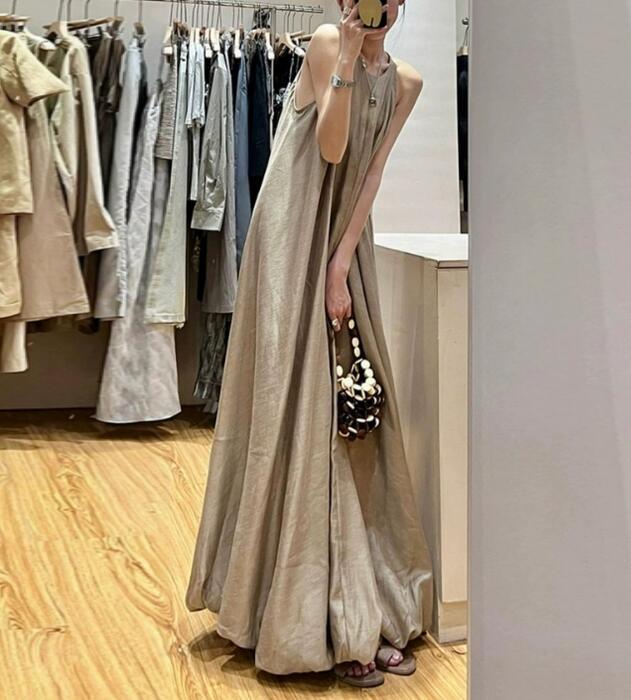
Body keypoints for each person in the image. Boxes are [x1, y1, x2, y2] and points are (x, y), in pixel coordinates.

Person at [185, 0, 434, 689]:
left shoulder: (409, 81)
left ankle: (354, 606)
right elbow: (329, 147)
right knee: (293, 409)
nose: (376, 8)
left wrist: (340, 264)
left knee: (350, 419)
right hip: (292, 233)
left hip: (341, 246)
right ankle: (304, 612)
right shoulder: (327, 44)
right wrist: (349, 56)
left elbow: (370, 173)